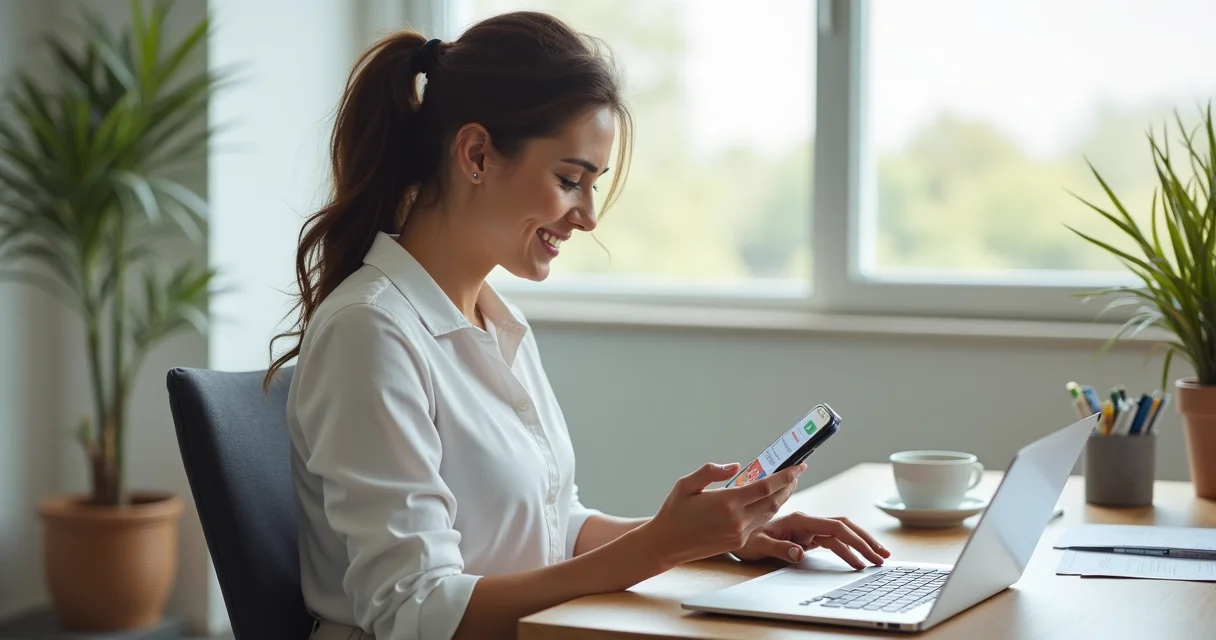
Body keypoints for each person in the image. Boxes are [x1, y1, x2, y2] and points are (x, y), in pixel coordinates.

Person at [266, 11, 889, 640]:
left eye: (594, 185)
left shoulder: (496, 323)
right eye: (570, 180)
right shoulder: (371, 333)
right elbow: (418, 612)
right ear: (476, 153)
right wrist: (658, 549)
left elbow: (552, 525)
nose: (587, 216)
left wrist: (709, 539)